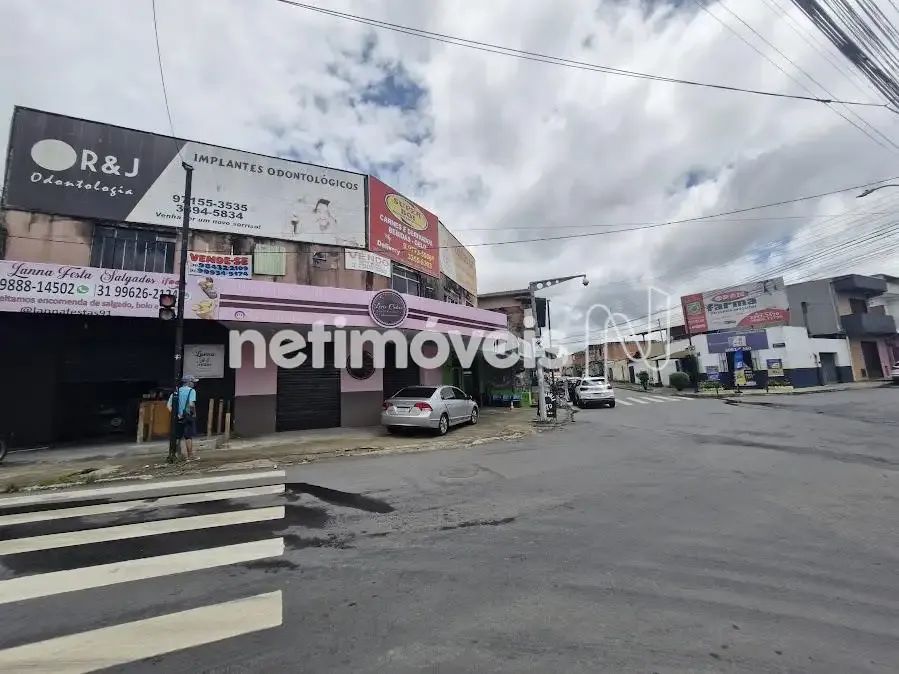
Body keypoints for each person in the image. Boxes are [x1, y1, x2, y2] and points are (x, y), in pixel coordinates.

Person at [167, 375, 198, 460]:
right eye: (193, 382)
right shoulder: (192, 391)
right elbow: (191, 404)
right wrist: (193, 413)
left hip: (178, 417)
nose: (194, 384)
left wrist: (175, 414)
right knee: (188, 436)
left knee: (177, 437)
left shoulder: (176, 392)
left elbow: (169, 405)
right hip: (187, 417)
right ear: (188, 382)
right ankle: (190, 456)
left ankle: (177, 455)